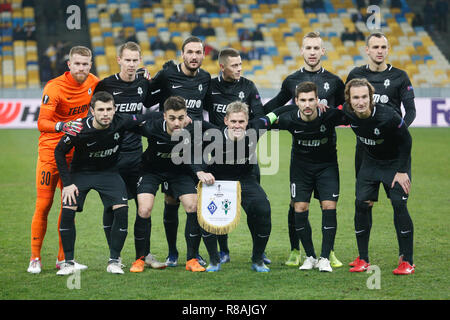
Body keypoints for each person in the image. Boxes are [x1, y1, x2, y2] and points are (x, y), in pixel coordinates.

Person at [53, 91, 159, 275]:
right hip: (80, 174)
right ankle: (68, 263)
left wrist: (169, 116)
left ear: (114, 109)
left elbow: (146, 116)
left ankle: (114, 261)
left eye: (109, 109)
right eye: (100, 109)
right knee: (68, 209)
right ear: (92, 111)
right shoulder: (79, 128)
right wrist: (68, 183)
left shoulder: (121, 121)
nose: (105, 114)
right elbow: (59, 152)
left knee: (122, 209)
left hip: (108, 173)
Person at [264, 31, 345, 268]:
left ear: (323, 51)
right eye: (308, 48)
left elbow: (344, 107)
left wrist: (329, 109)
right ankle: (295, 250)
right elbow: (277, 104)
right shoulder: (291, 80)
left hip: (327, 151)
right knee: (296, 204)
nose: (312, 52)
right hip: (300, 155)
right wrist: (254, 115)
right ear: (302, 51)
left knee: (328, 204)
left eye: (316, 48)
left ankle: (328, 253)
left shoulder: (334, 80)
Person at [94, 41, 166, 273]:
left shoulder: (142, 84)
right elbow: (95, 115)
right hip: (111, 157)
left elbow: (152, 101)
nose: (132, 64)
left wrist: (160, 79)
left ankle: (143, 254)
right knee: (112, 207)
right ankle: (114, 255)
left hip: (136, 156)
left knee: (143, 206)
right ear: (119, 60)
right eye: (128, 60)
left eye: (136, 60)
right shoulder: (105, 85)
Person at [27, 46, 99, 274]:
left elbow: (116, 89)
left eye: (85, 64)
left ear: (90, 65)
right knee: (44, 204)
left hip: (74, 155)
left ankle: (63, 259)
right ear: (69, 64)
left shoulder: (94, 83)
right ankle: (35, 258)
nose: (81, 68)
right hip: (50, 153)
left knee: (69, 206)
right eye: (77, 64)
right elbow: (42, 123)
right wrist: (62, 126)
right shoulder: (54, 87)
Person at [346, 32, 416, 262]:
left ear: (388, 49)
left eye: (383, 46)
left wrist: (396, 131)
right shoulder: (355, 75)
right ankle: (362, 257)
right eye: (375, 46)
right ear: (367, 49)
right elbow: (345, 105)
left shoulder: (400, 76)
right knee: (363, 202)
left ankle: (406, 259)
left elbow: (411, 111)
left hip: (394, 151)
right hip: (365, 152)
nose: (379, 50)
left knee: (398, 203)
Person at [194, 101, 282, 272]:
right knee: (206, 215)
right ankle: (214, 260)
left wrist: (303, 107)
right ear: (226, 120)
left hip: (245, 179)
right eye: (233, 121)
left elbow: (276, 112)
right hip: (218, 181)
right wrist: (200, 171)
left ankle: (257, 259)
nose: (237, 125)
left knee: (263, 209)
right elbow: (195, 154)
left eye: (241, 122)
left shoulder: (256, 128)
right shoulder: (213, 135)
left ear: (247, 121)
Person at [134, 96, 219, 272]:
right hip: (151, 171)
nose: (177, 123)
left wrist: (199, 171)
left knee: (192, 206)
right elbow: (126, 125)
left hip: (179, 171)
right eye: (172, 118)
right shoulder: (152, 127)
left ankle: (191, 259)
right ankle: (140, 259)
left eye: (181, 118)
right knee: (144, 209)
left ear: (186, 116)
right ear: (164, 116)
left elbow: (212, 135)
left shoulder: (191, 129)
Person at [147, 36, 211, 267]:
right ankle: (173, 252)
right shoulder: (167, 75)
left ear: (203, 55)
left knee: (195, 202)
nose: (194, 56)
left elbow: (209, 109)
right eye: (190, 52)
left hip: (194, 146)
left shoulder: (205, 78)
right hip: (168, 146)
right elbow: (146, 98)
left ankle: (194, 253)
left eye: (198, 52)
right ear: (182, 54)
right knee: (171, 200)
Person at [276, 81, 348, 272]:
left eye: (311, 100)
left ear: (318, 100)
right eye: (303, 101)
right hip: (301, 169)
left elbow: (350, 114)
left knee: (329, 206)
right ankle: (310, 256)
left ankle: (325, 257)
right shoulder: (289, 119)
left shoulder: (330, 115)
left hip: (327, 168)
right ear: (296, 102)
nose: (307, 105)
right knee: (299, 207)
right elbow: (265, 123)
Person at [203, 47, 266, 264]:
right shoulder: (210, 86)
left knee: (254, 207)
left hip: (245, 157)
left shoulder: (248, 86)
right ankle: (224, 250)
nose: (240, 69)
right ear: (222, 67)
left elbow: (259, 116)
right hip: (219, 156)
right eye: (235, 65)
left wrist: (246, 137)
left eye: (241, 64)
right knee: (220, 204)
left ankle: (259, 251)